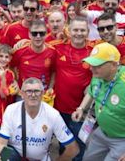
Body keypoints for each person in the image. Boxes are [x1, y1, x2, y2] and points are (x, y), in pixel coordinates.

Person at [0, 77, 79, 161]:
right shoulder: (11, 110)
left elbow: (73, 149)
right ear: (22, 94)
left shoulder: (53, 115)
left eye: (37, 91)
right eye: (28, 91)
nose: (33, 95)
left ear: (42, 94)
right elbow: (1, 142)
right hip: (15, 156)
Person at [72, 42, 125, 160]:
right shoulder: (98, 76)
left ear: (113, 65)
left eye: (97, 65)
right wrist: (81, 108)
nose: (91, 68)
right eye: (91, 64)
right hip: (102, 131)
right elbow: (92, 92)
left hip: (122, 140)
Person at [51, 17, 93, 160]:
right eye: (75, 30)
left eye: (82, 30)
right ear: (69, 31)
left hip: (82, 110)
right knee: (64, 146)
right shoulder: (58, 47)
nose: (79, 33)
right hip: (60, 108)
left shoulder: (94, 51)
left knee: (79, 148)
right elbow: (36, 43)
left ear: (87, 32)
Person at [11, 20, 56, 91]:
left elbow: (54, 71)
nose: (38, 36)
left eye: (41, 33)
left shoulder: (52, 52)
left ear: (46, 34)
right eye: (34, 33)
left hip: (43, 95)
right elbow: (11, 67)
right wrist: (15, 81)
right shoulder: (19, 51)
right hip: (23, 94)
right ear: (29, 34)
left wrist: (50, 87)